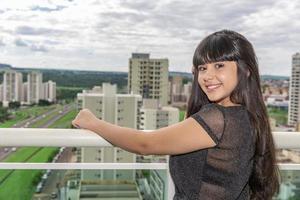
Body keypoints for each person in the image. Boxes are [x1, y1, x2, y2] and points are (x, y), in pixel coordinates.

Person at [72, 30, 280, 200]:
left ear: (246, 70)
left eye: (219, 65)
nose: (207, 76)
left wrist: (92, 122)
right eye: (202, 68)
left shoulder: (218, 119)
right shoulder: (248, 116)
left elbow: (145, 144)